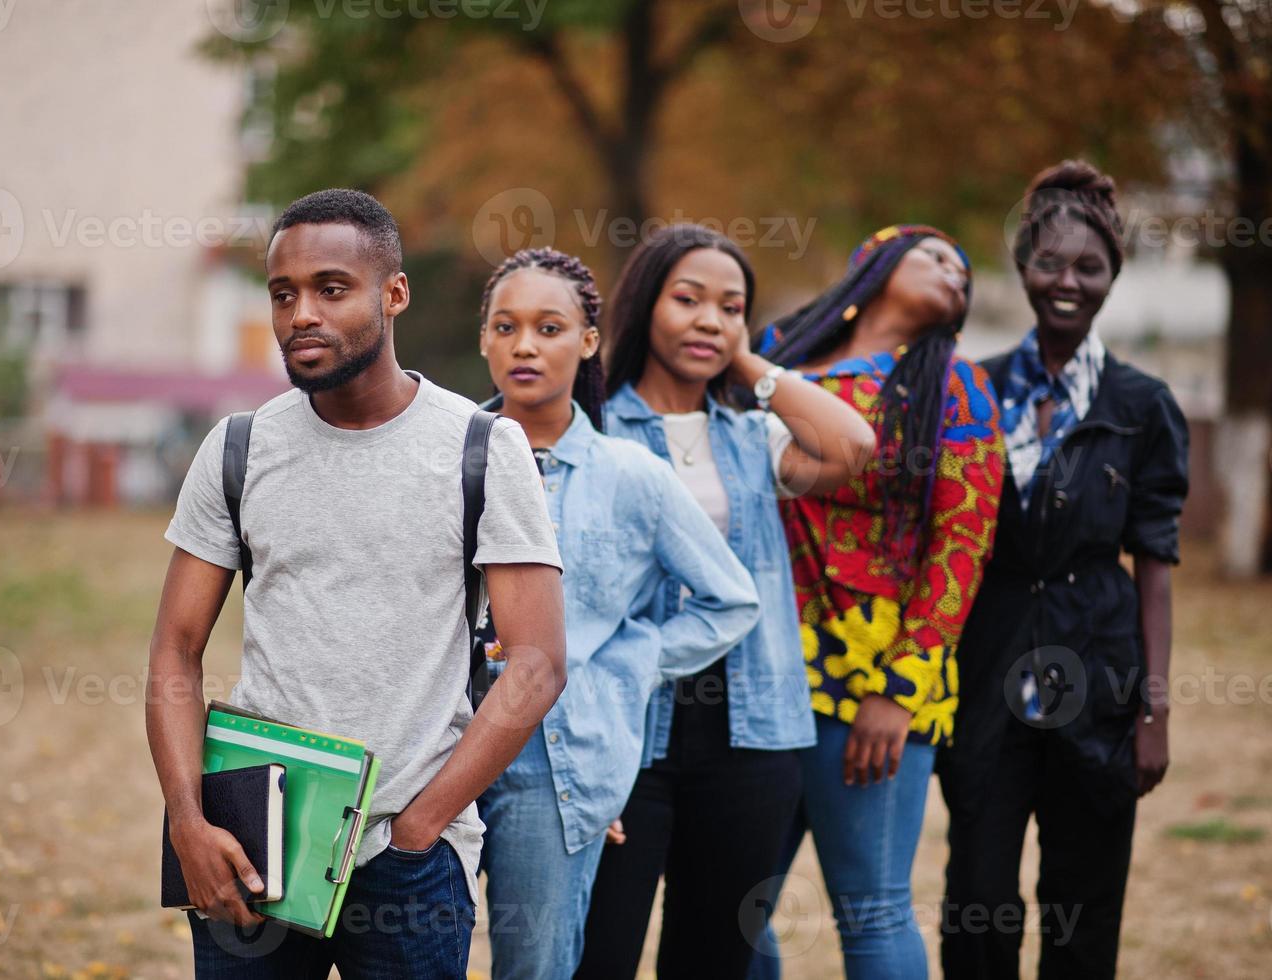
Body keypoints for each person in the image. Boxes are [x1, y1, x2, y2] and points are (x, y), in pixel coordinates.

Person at [146, 189, 567, 980]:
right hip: (254, 844)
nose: (302, 312)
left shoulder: (482, 449)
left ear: (393, 294)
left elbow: (537, 662)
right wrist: (187, 822)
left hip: (410, 862)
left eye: (331, 289)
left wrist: (422, 825)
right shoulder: (238, 448)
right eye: (283, 294)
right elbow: (174, 649)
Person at [577, 224, 877, 980]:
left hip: (753, 736)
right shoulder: (593, 429)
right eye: (687, 300)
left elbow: (853, 448)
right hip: (622, 732)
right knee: (598, 954)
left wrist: (745, 363)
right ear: (644, 304)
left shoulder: (750, 436)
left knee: (715, 960)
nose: (709, 318)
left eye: (730, 306)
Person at [469, 246, 762, 979]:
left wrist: (630, 660)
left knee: (533, 966)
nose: (525, 345)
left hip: (551, 756)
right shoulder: (446, 456)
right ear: (483, 339)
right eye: (505, 327)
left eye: (549, 327)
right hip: (431, 739)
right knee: (410, 951)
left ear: (589, 341)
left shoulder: (632, 475)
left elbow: (731, 599)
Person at [938, 161, 1188, 980]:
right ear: (1022, 266)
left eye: (1089, 266)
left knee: (1082, 906)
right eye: (1050, 263)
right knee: (977, 900)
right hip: (985, 679)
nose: (1067, 282)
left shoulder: (1140, 405)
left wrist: (1152, 713)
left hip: (1099, 681)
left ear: (1113, 273)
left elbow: (1153, 564)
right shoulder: (973, 389)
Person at [753, 223, 1005, 980]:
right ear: (874, 264)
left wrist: (898, 691)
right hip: (754, 676)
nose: (952, 273)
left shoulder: (953, 385)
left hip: (872, 683)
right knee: (727, 905)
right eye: (931, 255)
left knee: (870, 911)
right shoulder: (773, 352)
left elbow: (962, 548)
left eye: (962, 272)